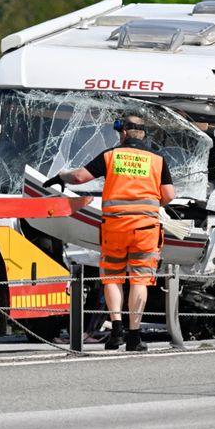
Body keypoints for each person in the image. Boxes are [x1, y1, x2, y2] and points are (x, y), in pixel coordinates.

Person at [43, 114, 175, 351]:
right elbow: (169, 195)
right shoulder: (157, 160)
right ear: (143, 134)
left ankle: (116, 331)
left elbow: (79, 177)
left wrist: (60, 176)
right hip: (145, 230)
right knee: (139, 280)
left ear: (123, 132)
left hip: (115, 228)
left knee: (112, 278)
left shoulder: (111, 155)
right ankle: (134, 337)